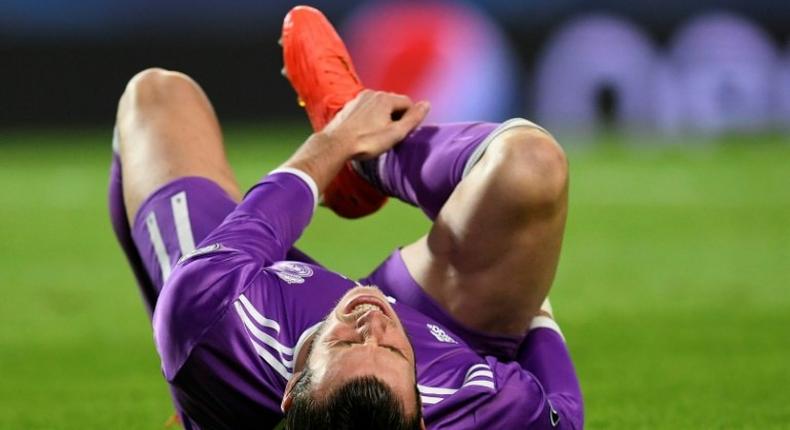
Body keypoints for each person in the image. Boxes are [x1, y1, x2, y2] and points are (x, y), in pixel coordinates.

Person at [108, 5, 582, 429]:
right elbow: (562, 413)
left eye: (347, 344)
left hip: (225, 320)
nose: (372, 323)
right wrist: (531, 303)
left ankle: (360, 159)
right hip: (441, 326)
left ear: (291, 391)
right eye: (392, 351)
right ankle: (373, 165)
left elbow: (257, 227)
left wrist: (337, 142)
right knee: (532, 166)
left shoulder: (217, 321)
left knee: (157, 95)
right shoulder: (474, 406)